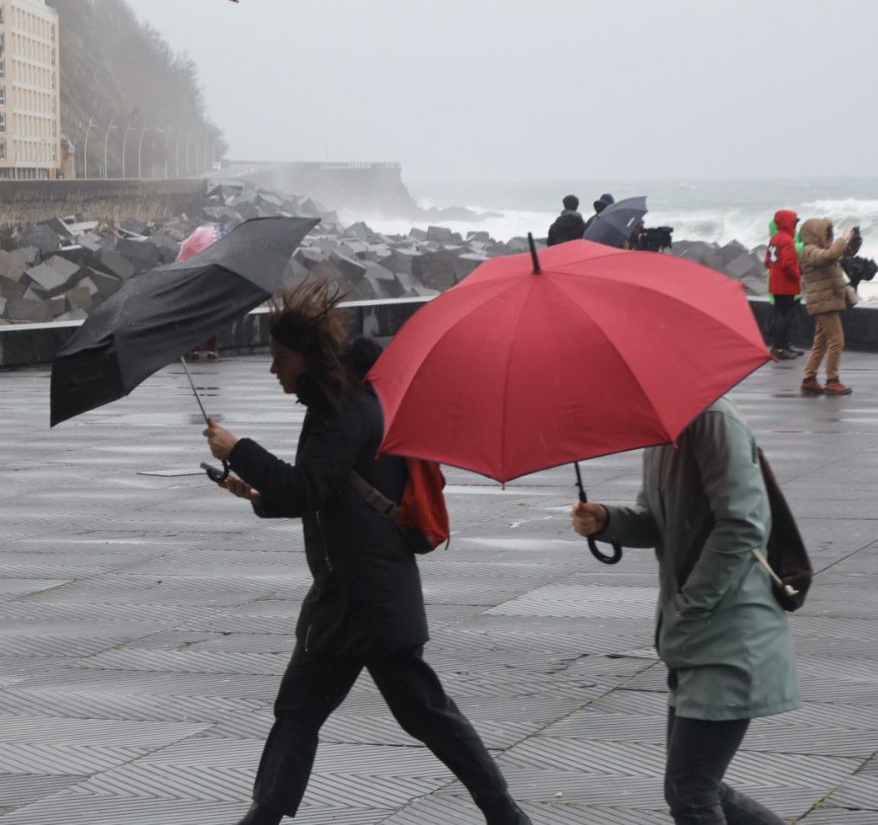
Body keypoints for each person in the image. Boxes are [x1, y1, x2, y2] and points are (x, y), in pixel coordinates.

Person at [203, 280, 531, 825]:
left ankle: (506, 814)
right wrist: (257, 494)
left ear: (308, 357)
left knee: (423, 713)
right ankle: (261, 818)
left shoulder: (346, 409)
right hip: (346, 596)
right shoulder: (337, 403)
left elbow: (309, 486)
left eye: (279, 358)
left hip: (369, 598)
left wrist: (240, 450)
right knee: (301, 711)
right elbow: (317, 493)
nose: (272, 370)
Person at [570, 396, 800, 825]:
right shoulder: (662, 429)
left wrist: (691, 604)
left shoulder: (711, 419)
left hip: (730, 635)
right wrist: (606, 520)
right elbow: (657, 521)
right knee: (698, 785)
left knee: (691, 791)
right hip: (696, 637)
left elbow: (743, 524)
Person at [799, 217, 855, 395]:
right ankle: (832, 380)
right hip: (824, 302)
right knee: (837, 341)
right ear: (814, 234)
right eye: (824, 233)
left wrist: (851, 241)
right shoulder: (809, 251)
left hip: (827, 300)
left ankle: (809, 378)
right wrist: (843, 238)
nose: (827, 236)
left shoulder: (819, 250)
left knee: (821, 342)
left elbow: (838, 254)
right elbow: (829, 256)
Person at [764, 209, 803, 360]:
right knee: (784, 317)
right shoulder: (787, 240)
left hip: (775, 284)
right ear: (788, 223)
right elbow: (788, 264)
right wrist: (798, 274)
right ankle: (780, 347)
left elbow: (767, 262)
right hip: (786, 285)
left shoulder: (774, 239)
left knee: (781, 315)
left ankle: (784, 345)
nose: (795, 225)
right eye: (794, 222)